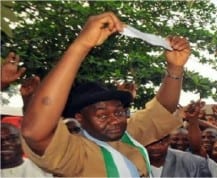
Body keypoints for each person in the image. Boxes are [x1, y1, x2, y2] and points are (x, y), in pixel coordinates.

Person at [21, 12, 191, 177]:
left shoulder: (126, 136)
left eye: (118, 112)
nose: (114, 120)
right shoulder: (76, 152)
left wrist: (175, 68)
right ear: (80, 118)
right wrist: (81, 45)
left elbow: (162, 110)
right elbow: (35, 132)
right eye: (102, 115)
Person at [145, 135, 211, 177]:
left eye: (161, 142)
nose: (155, 148)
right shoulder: (135, 164)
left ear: (168, 140)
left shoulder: (194, 163)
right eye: (149, 143)